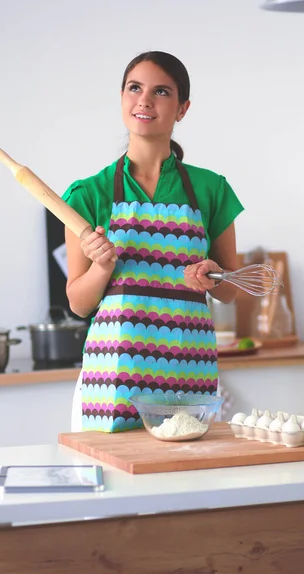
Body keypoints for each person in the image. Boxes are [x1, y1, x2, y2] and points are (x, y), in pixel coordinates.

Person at [64, 51, 244, 433]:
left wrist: (216, 275)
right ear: (122, 98)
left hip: (187, 377)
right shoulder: (88, 194)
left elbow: (230, 292)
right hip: (112, 381)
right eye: (135, 88)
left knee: (186, 486)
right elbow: (79, 304)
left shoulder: (211, 189)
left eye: (161, 91)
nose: (144, 100)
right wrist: (102, 267)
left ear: (182, 109)